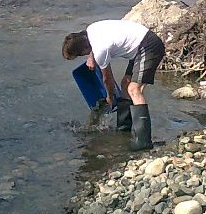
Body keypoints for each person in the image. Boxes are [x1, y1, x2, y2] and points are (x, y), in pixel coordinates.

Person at [62, 20, 165, 150]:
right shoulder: (91, 29)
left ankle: (144, 142)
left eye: (81, 55)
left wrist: (110, 97)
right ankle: (124, 129)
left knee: (134, 90)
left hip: (148, 46)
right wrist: (90, 57)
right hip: (139, 45)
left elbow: (107, 79)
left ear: (84, 50)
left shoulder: (100, 50)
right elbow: (93, 46)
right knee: (125, 84)